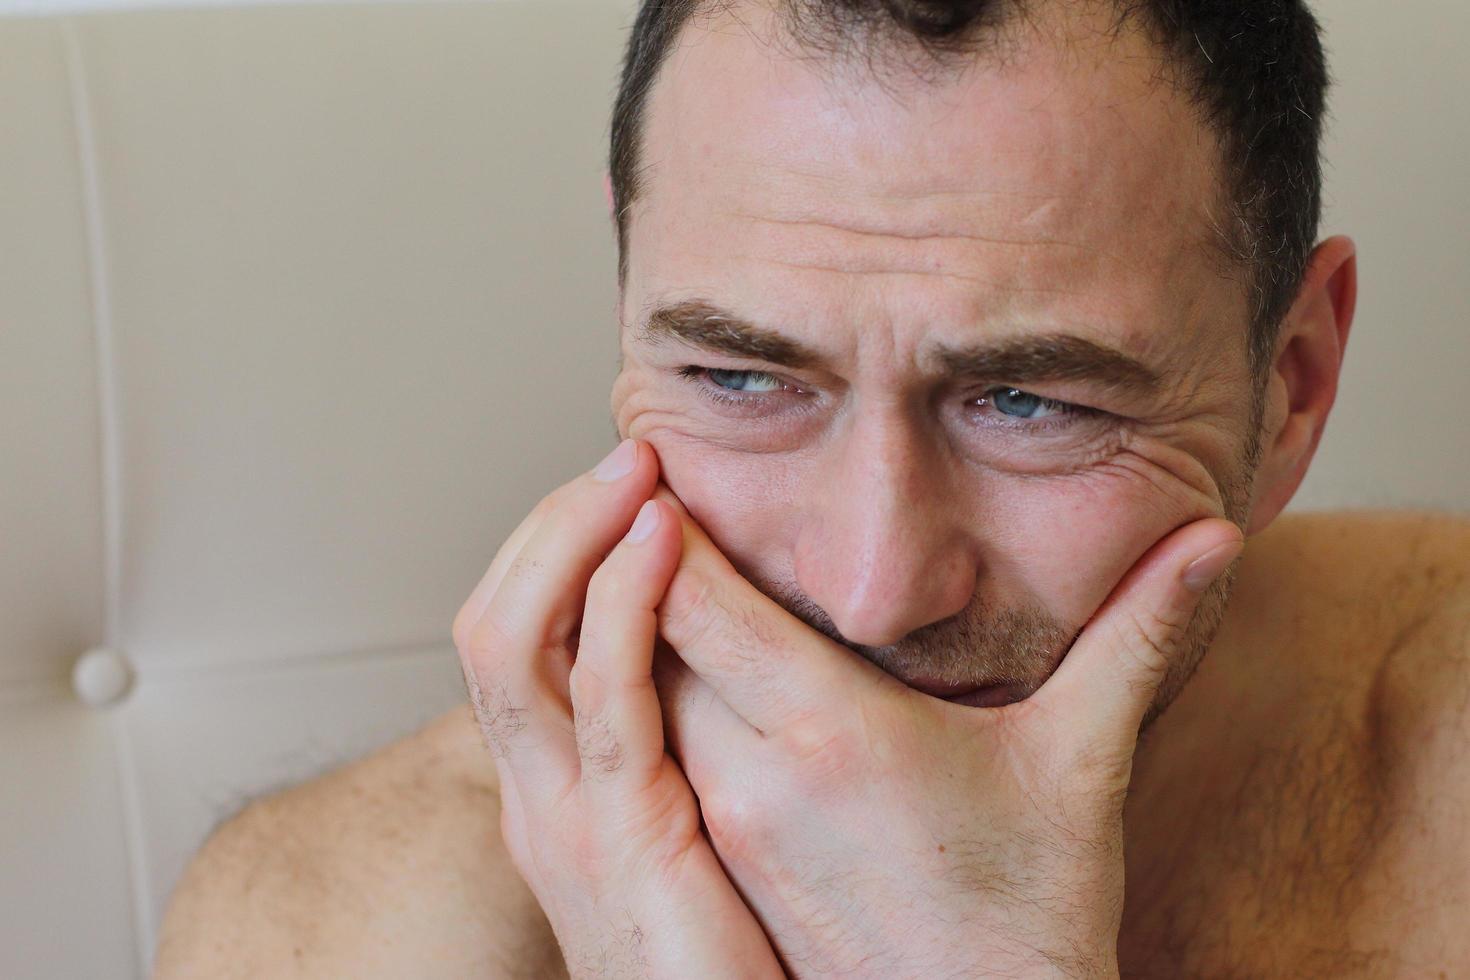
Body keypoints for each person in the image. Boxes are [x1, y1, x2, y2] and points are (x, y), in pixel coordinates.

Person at [153, 0, 1470, 976]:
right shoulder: (331, 924)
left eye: (1029, 402)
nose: (872, 589)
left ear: (1290, 383)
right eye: (741, 377)